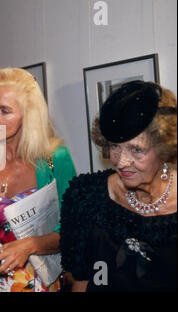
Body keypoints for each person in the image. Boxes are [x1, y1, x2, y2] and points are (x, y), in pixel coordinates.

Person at [0, 68, 76, 292]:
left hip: (41, 285)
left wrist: (31, 245)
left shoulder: (56, 159)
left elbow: (75, 228)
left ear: (28, 115)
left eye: (4, 110)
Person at [60, 80, 177, 292]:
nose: (121, 162)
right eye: (115, 146)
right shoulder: (86, 197)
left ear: (164, 146)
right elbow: (81, 280)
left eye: (136, 150)